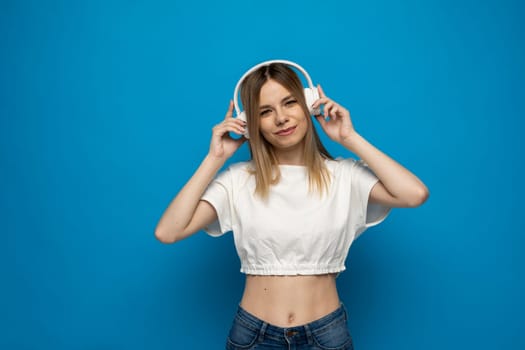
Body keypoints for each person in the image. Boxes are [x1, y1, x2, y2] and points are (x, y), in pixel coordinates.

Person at [155, 61, 429, 350]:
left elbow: (414, 194)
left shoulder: (345, 176)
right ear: (250, 122)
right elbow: (168, 232)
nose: (281, 118)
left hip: (326, 334)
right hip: (253, 337)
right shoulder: (238, 180)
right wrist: (215, 158)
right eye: (265, 111)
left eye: (290, 103)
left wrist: (350, 138)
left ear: (309, 104)